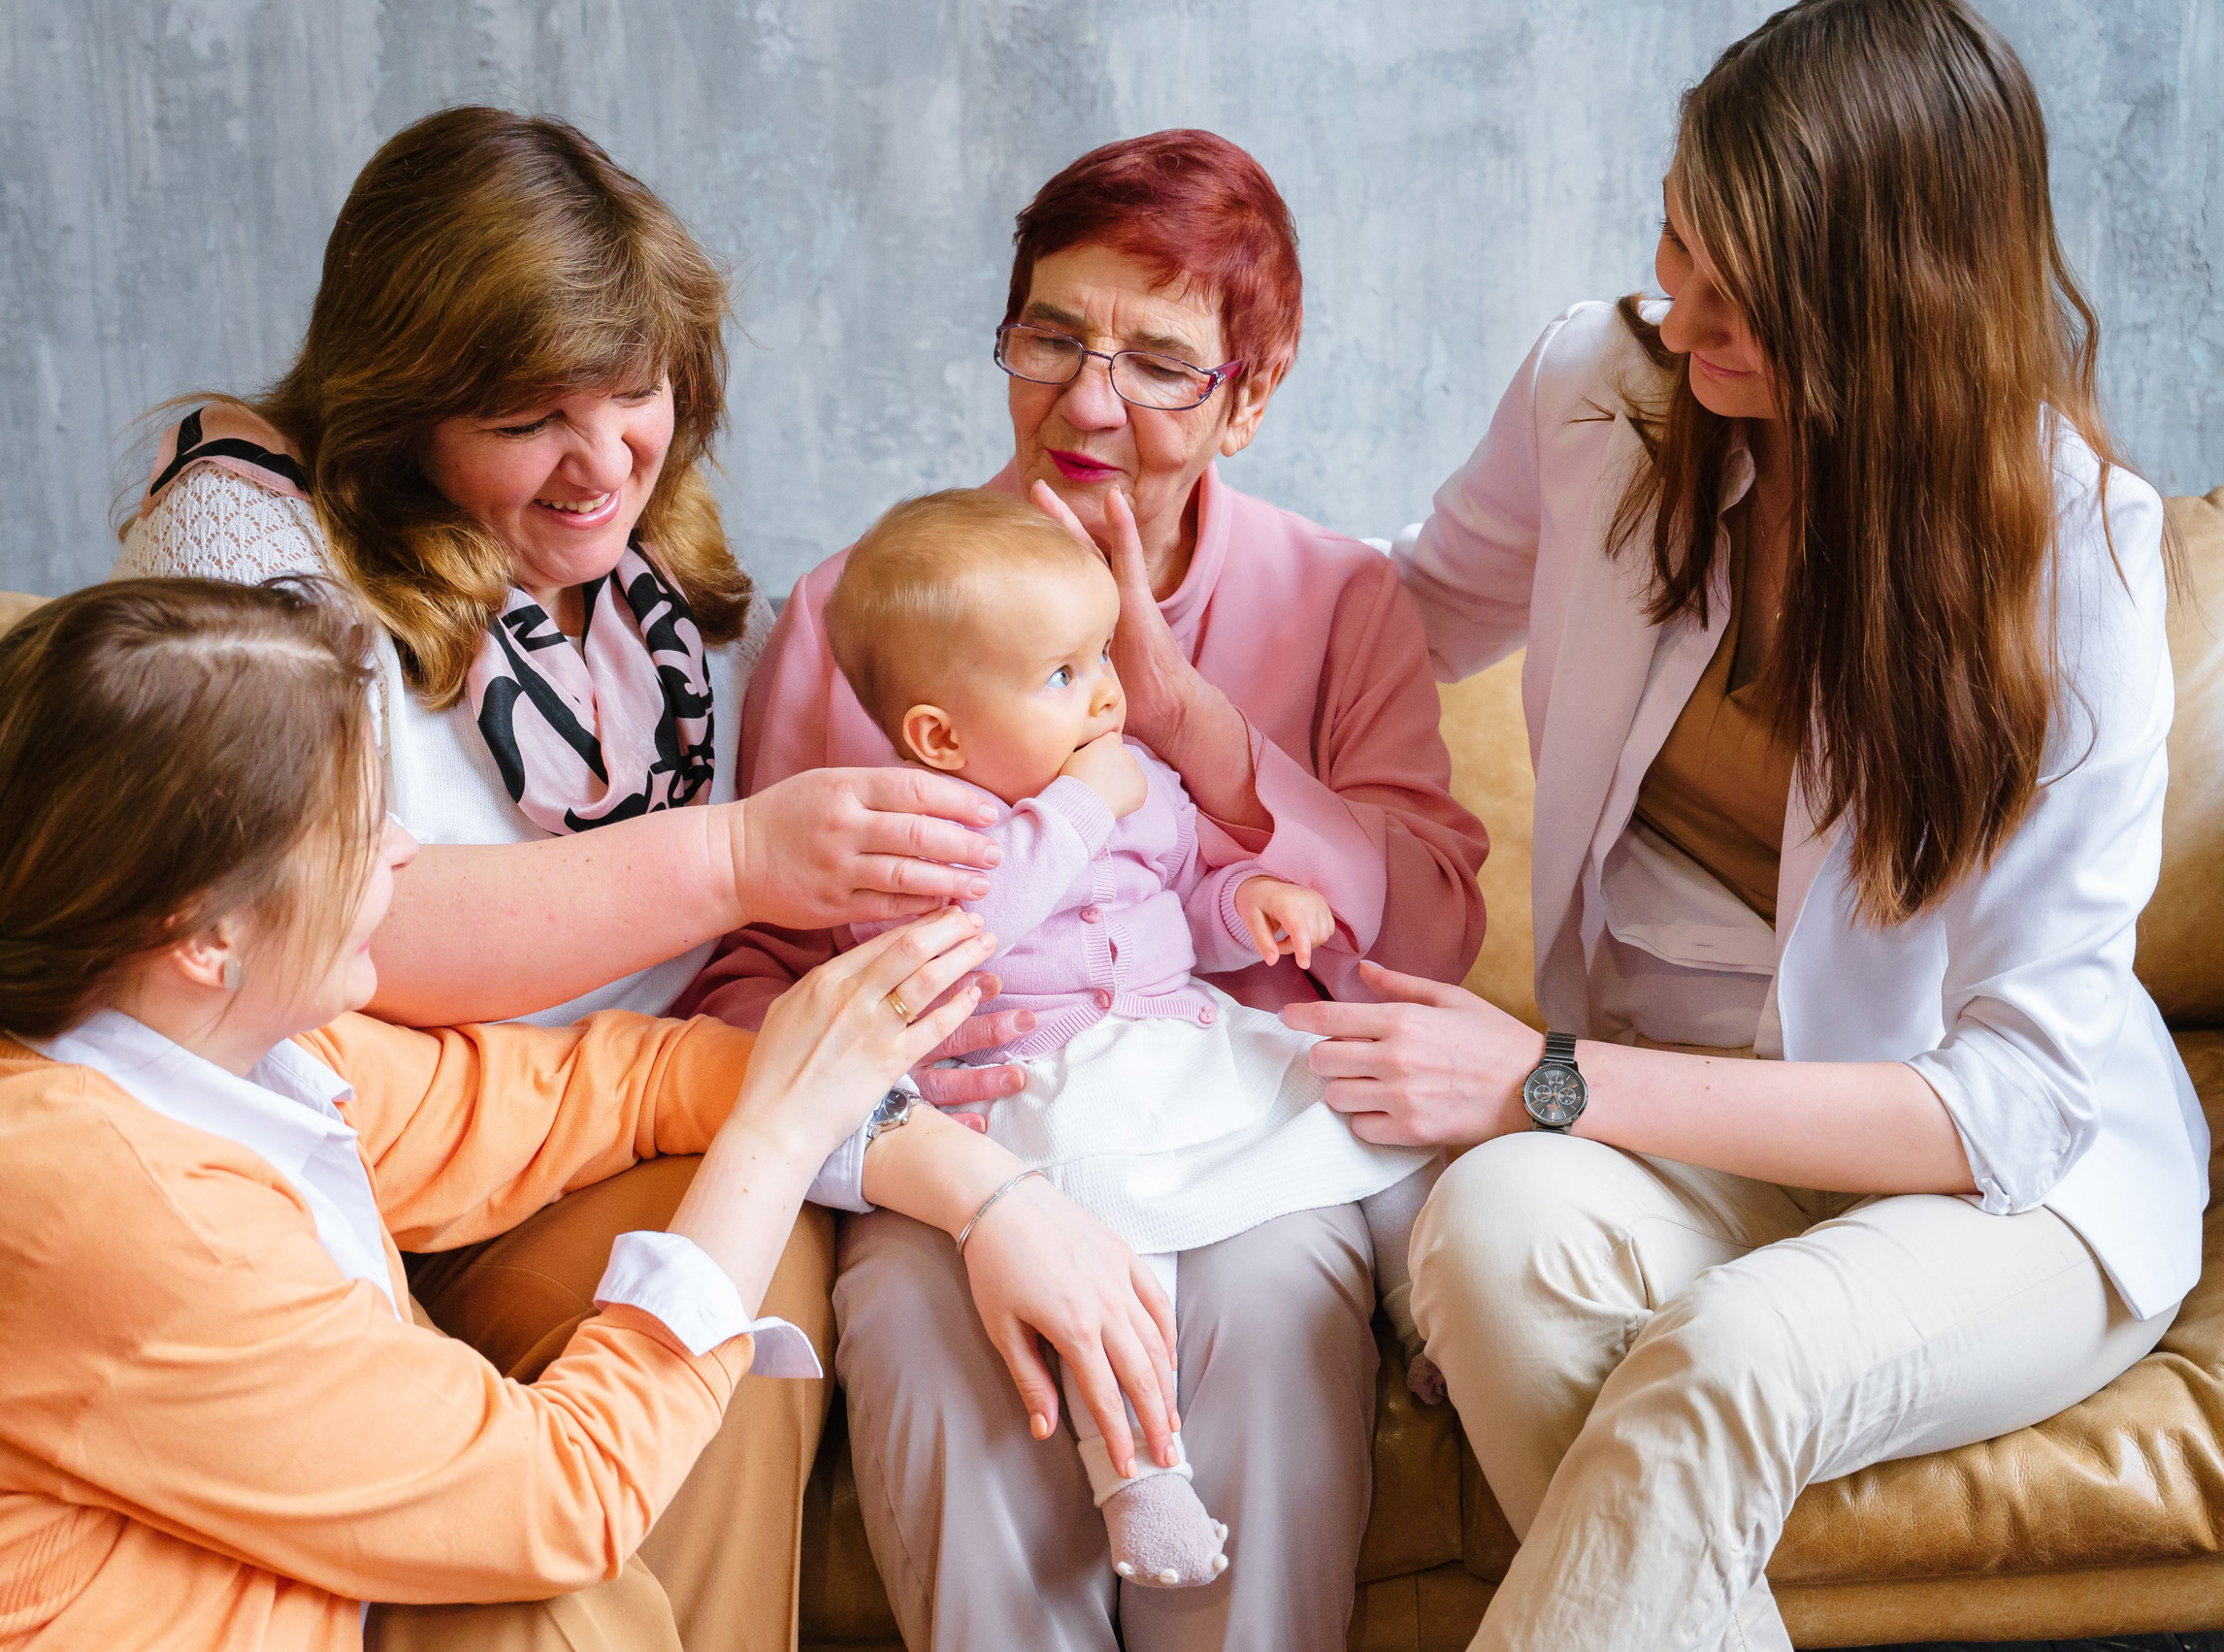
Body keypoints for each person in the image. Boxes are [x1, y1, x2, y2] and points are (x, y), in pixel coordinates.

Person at [1290, 3, 2211, 1646]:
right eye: (1676, 239)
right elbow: (1389, 624)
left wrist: (1546, 1081)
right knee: (1485, 1229)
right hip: (1691, 1144)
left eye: (1754, 292)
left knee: (1734, 1352)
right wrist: (1122, 625)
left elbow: (2018, 1101)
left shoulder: (2081, 561)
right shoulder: (1603, 395)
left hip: (2005, 1192)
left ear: (1901, 306)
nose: (1688, 315)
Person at [109, 107, 1026, 1648]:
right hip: (342, 1154)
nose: (606, 457)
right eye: (537, 411)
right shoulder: (247, 532)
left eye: (640, 389)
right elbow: (333, 914)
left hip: (604, 1113)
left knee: (742, 1304)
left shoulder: (626, 570)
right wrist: (741, 852)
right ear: (399, 400)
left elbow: (689, 1021)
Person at [0, 578, 998, 1652]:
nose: (407, 849)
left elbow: (596, 1085)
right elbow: (560, 1497)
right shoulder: (94, 1190)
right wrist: (776, 1133)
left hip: (259, 1594)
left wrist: (984, 1190)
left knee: (553, 1584)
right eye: (360, 825)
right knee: (551, 1601)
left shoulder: (209, 1034)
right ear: (205, 935)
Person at [691, 130, 1488, 1650]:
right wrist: (924, 1149)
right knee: (929, 1334)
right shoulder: (868, 612)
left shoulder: (1339, 600)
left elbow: (1438, 921)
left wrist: (1193, 722)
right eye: (1051, 335)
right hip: (964, 1132)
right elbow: (750, 978)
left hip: (1242, 1115)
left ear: (1251, 395)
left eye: (1161, 361)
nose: (1087, 398)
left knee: (1265, 1311)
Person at [826, 490, 1441, 1590]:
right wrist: (1074, 806)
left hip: (1171, 1040)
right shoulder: (914, 828)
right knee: (1113, 1262)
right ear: (939, 735)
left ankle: (1424, 1294)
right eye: (1063, 674)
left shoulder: (1130, 774)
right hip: (1043, 1087)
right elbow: (965, 934)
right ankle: (1141, 1478)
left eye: (1102, 652)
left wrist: (1246, 899)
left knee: (1343, 1089)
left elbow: (1179, 892)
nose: (1107, 691)